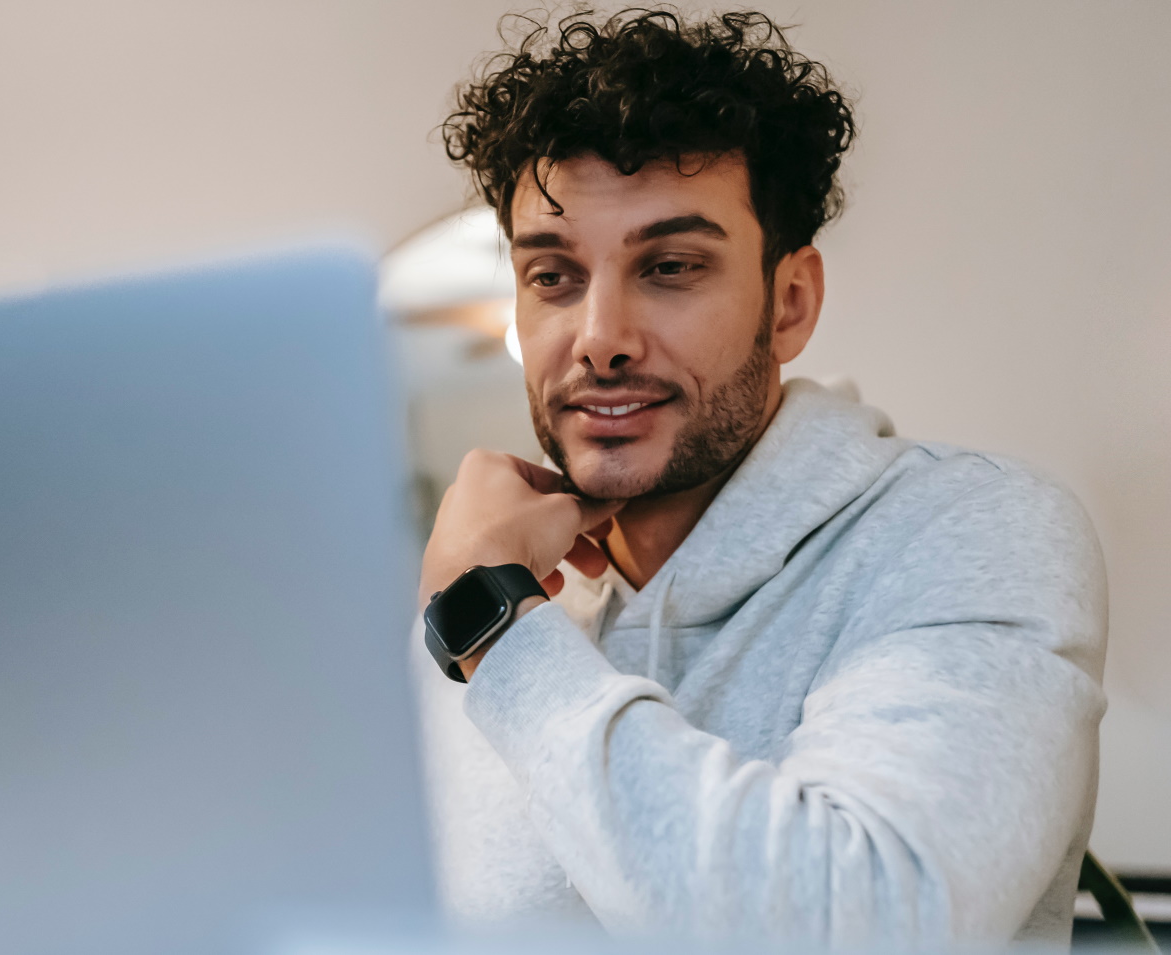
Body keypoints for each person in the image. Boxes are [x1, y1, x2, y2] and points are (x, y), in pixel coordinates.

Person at [412, 9, 1106, 948]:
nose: (600, 338)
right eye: (552, 277)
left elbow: (860, 925)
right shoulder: (493, 580)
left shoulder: (971, 531)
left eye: (668, 267)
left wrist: (493, 625)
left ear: (788, 303)